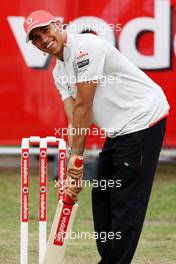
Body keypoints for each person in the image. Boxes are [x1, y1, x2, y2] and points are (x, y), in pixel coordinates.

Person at [23, 10, 170, 264]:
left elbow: (84, 107)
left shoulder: (85, 48)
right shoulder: (59, 72)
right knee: (101, 195)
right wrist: (73, 170)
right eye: (35, 37)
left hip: (143, 119)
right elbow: (73, 120)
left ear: (58, 24)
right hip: (119, 130)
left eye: (45, 30)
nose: (43, 39)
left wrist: (75, 162)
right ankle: (110, 258)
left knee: (126, 202)